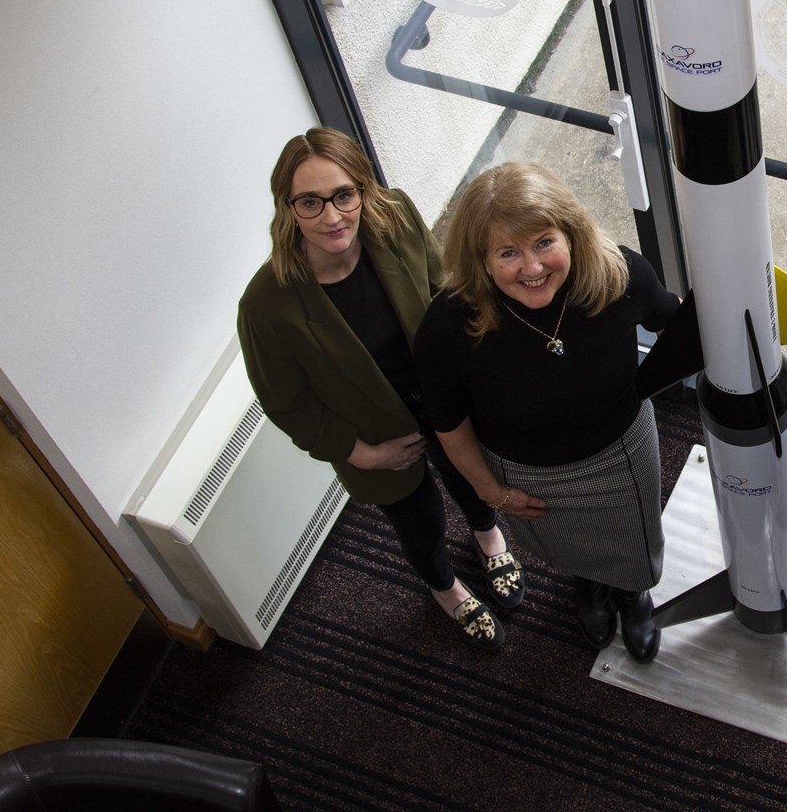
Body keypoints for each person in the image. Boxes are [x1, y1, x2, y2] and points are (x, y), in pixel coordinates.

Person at [237, 128, 521, 650]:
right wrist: (358, 454)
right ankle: (446, 588)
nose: (331, 217)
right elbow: (285, 402)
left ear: (363, 190)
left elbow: (444, 296)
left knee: (470, 478)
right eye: (310, 202)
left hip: (443, 403)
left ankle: (487, 535)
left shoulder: (397, 219)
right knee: (419, 521)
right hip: (376, 440)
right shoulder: (266, 305)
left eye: (344, 195)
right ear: (287, 208)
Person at [413, 162, 679, 662]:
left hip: (619, 453)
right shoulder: (448, 324)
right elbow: (447, 423)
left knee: (637, 538)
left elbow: (676, 320)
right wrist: (491, 491)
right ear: (481, 259)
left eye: (543, 243)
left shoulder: (618, 275)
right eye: (508, 253)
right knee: (567, 545)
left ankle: (633, 592)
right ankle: (590, 586)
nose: (532, 268)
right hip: (527, 473)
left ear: (571, 233)